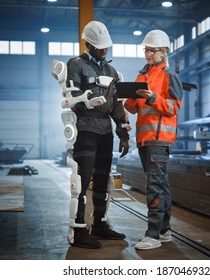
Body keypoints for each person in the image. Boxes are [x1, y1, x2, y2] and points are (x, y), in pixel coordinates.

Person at [66, 21, 130, 249]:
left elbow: (116, 107)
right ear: (88, 44)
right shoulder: (75, 65)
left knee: (103, 180)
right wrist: (86, 102)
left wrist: (123, 133)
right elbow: (70, 98)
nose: (104, 51)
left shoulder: (112, 72)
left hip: (105, 133)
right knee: (81, 181)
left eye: (106, 47)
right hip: (85, 131)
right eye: (100, 47)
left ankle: (100, 224)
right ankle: (79, 229)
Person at [124, 30, 183, 250]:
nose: (148, 54)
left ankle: (153, 235)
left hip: (160, 139)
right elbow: (133, 107)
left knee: (154, 187)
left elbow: (174, 107)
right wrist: (129, 98)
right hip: (144, 139)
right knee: (161, 186)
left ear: (164, 51)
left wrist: (154, 98)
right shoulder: (142, 76)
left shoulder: (170, 76)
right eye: (146, 50)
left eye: (153, 50)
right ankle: (164, 231)